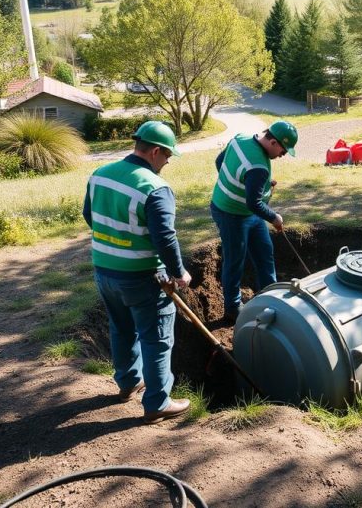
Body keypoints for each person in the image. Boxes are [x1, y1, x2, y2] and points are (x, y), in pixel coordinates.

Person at [83, 121, 193, 424]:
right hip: (142, 277)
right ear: (155, 151)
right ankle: (157, 402)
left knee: (121, 328)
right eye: (168, 156)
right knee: (157, 338)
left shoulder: (100, 175)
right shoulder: (155, 188)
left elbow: (89, 216)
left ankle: (129, 382)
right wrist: (179, 272)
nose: (168, 163)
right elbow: (165, 238)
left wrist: (116, 244)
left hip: (104, 271)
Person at [210, 121, 298, 320]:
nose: (281, 156)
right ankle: (232, 308)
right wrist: (275, 217)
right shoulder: (258, 166)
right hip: (230, 214)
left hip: (249, 214)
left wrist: (245, 184)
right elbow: (254, 203)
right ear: (273, 142)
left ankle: (272, 297)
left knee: (265, 253)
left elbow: (219, 162)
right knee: (234, 260)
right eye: (283, 152)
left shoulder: (240, 138)